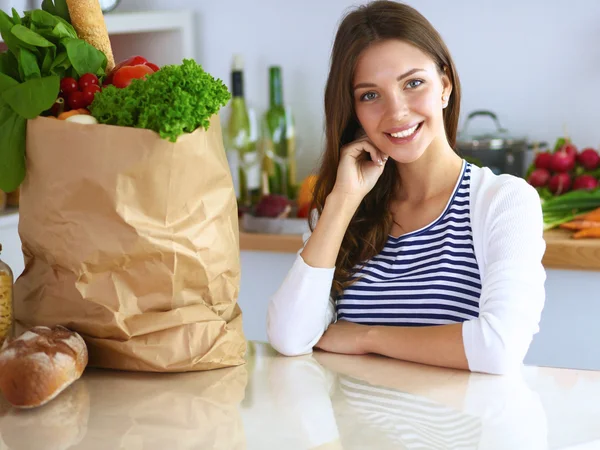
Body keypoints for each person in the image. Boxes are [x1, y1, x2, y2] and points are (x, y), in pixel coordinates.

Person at [267, 0, 546, 375]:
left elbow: (499, 347)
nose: (396, 111)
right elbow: (289, 337)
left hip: (460, 432)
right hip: (353, 431)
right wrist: (342, 203)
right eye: (370, 94)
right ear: (353, 111)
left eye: (413, 83)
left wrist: (367, 337)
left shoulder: (503, 201)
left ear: (444, 87)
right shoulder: (344, 208)